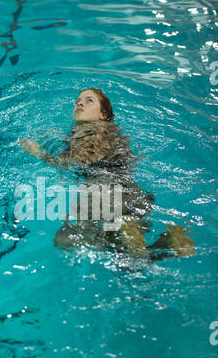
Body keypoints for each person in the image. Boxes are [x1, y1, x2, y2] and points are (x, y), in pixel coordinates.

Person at [18, 88, 196, 261]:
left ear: (103, 114)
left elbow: (79, 161)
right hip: (132, 193)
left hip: (104, 191)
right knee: (128, 259)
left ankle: (165, 241)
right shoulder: (109, 133)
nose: (79, 102)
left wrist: (40, 154)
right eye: (78, 100)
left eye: (89, 100)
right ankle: (168, 242)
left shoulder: (90, 130)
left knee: (66, 240)